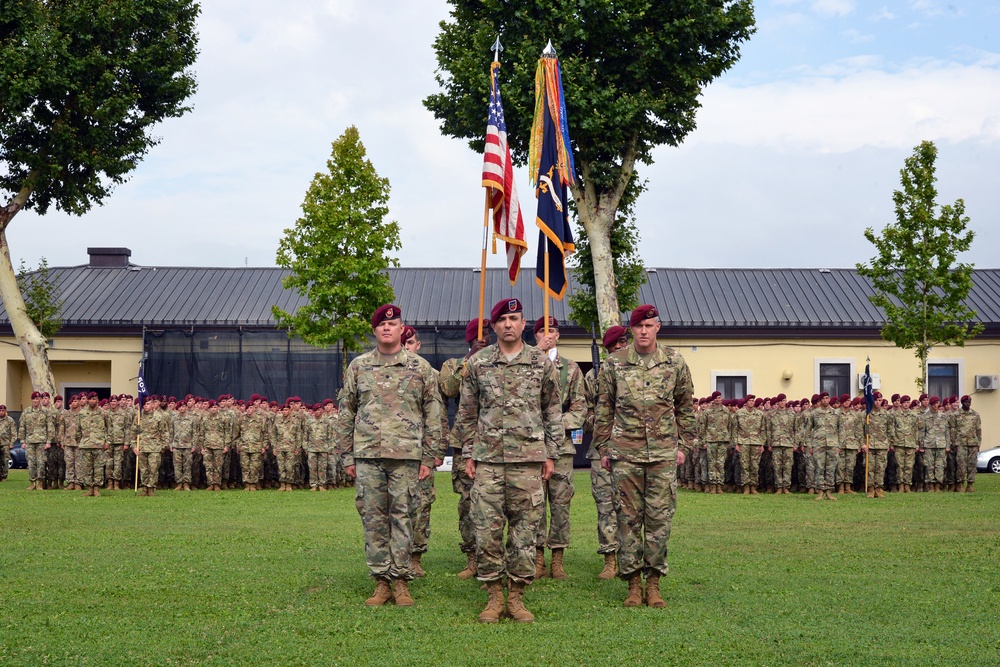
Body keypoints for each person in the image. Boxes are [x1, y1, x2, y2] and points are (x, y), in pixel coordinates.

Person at [455, 298, 561, 623]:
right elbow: (467, 412)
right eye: (502, 320)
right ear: (494, 326)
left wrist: (551, 454)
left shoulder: (541, 363)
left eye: (514, 318)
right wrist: (468, 453)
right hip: (487, 461)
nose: (509, 325)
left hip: (528, 461)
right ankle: (493, 597)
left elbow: (552, 410)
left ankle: (516, 597)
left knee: (525, 533)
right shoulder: (478, 363)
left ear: (524, 322)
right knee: (486, 531)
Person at [338, 304, 442, 607]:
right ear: (374, 331)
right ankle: (381, 581)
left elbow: (432, 413)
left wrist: (428, 457)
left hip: (407, 456)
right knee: (373, 519)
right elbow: (346, 412)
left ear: (401, 329)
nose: (387, 328)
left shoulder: (420, 368)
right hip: (368, 456)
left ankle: (401, 581)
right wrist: (347, 456)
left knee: (405, 517)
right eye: (382, 325)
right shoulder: (358, 366)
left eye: (393, 324)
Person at [594, 304, 696, 608]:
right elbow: (603, 409)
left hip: (663, 454)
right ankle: (633, 585)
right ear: (631, 330)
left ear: (658, 327)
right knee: (627, 519)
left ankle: (653, 584)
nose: (643, 331)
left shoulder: (675, 362)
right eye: (638, 326)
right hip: (625, 453)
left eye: (649, 326)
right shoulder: (614, 363)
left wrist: (684, 446)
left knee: (659, 519)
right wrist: (602, 448)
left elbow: (686, 407)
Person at [530, 316, 586, 581]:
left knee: (561, 504)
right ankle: (538, 557)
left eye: (551, 330)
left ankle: (558, 559)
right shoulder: (526, 364)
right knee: (535, 503)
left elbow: (580, 407)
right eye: (542, 330)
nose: (548, 334)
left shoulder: (571, 368)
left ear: (559, 335)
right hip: (532, 445)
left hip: (561, 446)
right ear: (535, 336)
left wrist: (557, 423)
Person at [438, 318, 491, 579]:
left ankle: (493, 558)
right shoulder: (453, 365)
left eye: (488, 334)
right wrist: (469, 359)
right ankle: (472, 558)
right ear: (470, 339)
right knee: (468, 502)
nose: (486, 339)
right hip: (466, 443)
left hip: (496, 442)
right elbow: (448, 388)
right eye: (481, 335)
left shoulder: (498, 361)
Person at [400, 325, 449, 577]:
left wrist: (437, 450)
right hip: (395, 452)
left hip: (421, 452)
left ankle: (416, 556)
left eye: (410, 343)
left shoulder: (430, 373)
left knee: (422, 505)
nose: (406, 347)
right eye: (403, 343)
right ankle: (396, 557)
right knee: (396, 506)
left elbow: (438, 416)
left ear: (418, 346)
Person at [583, 325, 628, 579]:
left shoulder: (635, 374)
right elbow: (584, 413)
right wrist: (602, 422)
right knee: (605, 506)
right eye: (616, 345)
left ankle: (629, 557)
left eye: (624, 343)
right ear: (608, 349)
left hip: (630, 450)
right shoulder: (593, 378)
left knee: (630, 506)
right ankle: (610, 559)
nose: (621, 348)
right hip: (600, 451)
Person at [76, 391, 110, 496]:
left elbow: (109, 429)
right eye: (90, 399)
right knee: (86, 468)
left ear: (97, 400)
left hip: (99, 444)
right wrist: (79, 442)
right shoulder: (82, 413)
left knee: (99, 468)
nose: (92, 401)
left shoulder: (103, 413)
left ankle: (96, 488)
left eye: (94, 399)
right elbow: (78, 430)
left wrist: (107, 442)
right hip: (85, 445)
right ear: (87, 400)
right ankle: (89, 488)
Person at [18, 391, 52, 491]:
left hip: (42, 441)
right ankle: (32, 483)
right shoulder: (26, 411)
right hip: (30, 441)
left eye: (38, 399)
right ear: (32, 400)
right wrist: (22, 441)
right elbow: (22, 427)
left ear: (40, 400)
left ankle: (40, 483)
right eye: (34, 399)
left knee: (41, 463)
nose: (36, 401)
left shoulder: (46, 411)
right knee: (31, 463)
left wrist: (49, 441)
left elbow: (50, 427)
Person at [952, 395, 981, 493]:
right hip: (961, 444)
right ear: (962, 402)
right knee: (961, 465)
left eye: (969, 402)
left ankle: (970, 484)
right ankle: (960, 484)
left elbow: (978, 430)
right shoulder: (956, 414)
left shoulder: (975, 415)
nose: (968, 403)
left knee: (972, 465)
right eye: (966, 402)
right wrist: (954, 443)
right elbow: (953, 430)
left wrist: (978, 444)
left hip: (973, 443)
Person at [0, 404, 16, 482]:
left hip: (6, 443)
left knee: (5, 460)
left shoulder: (10, 420)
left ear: (5, 411)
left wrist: (11, 443)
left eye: (3, 411)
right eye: (0, 410)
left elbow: (13, 432)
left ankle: (4, 476)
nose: (1, 412)